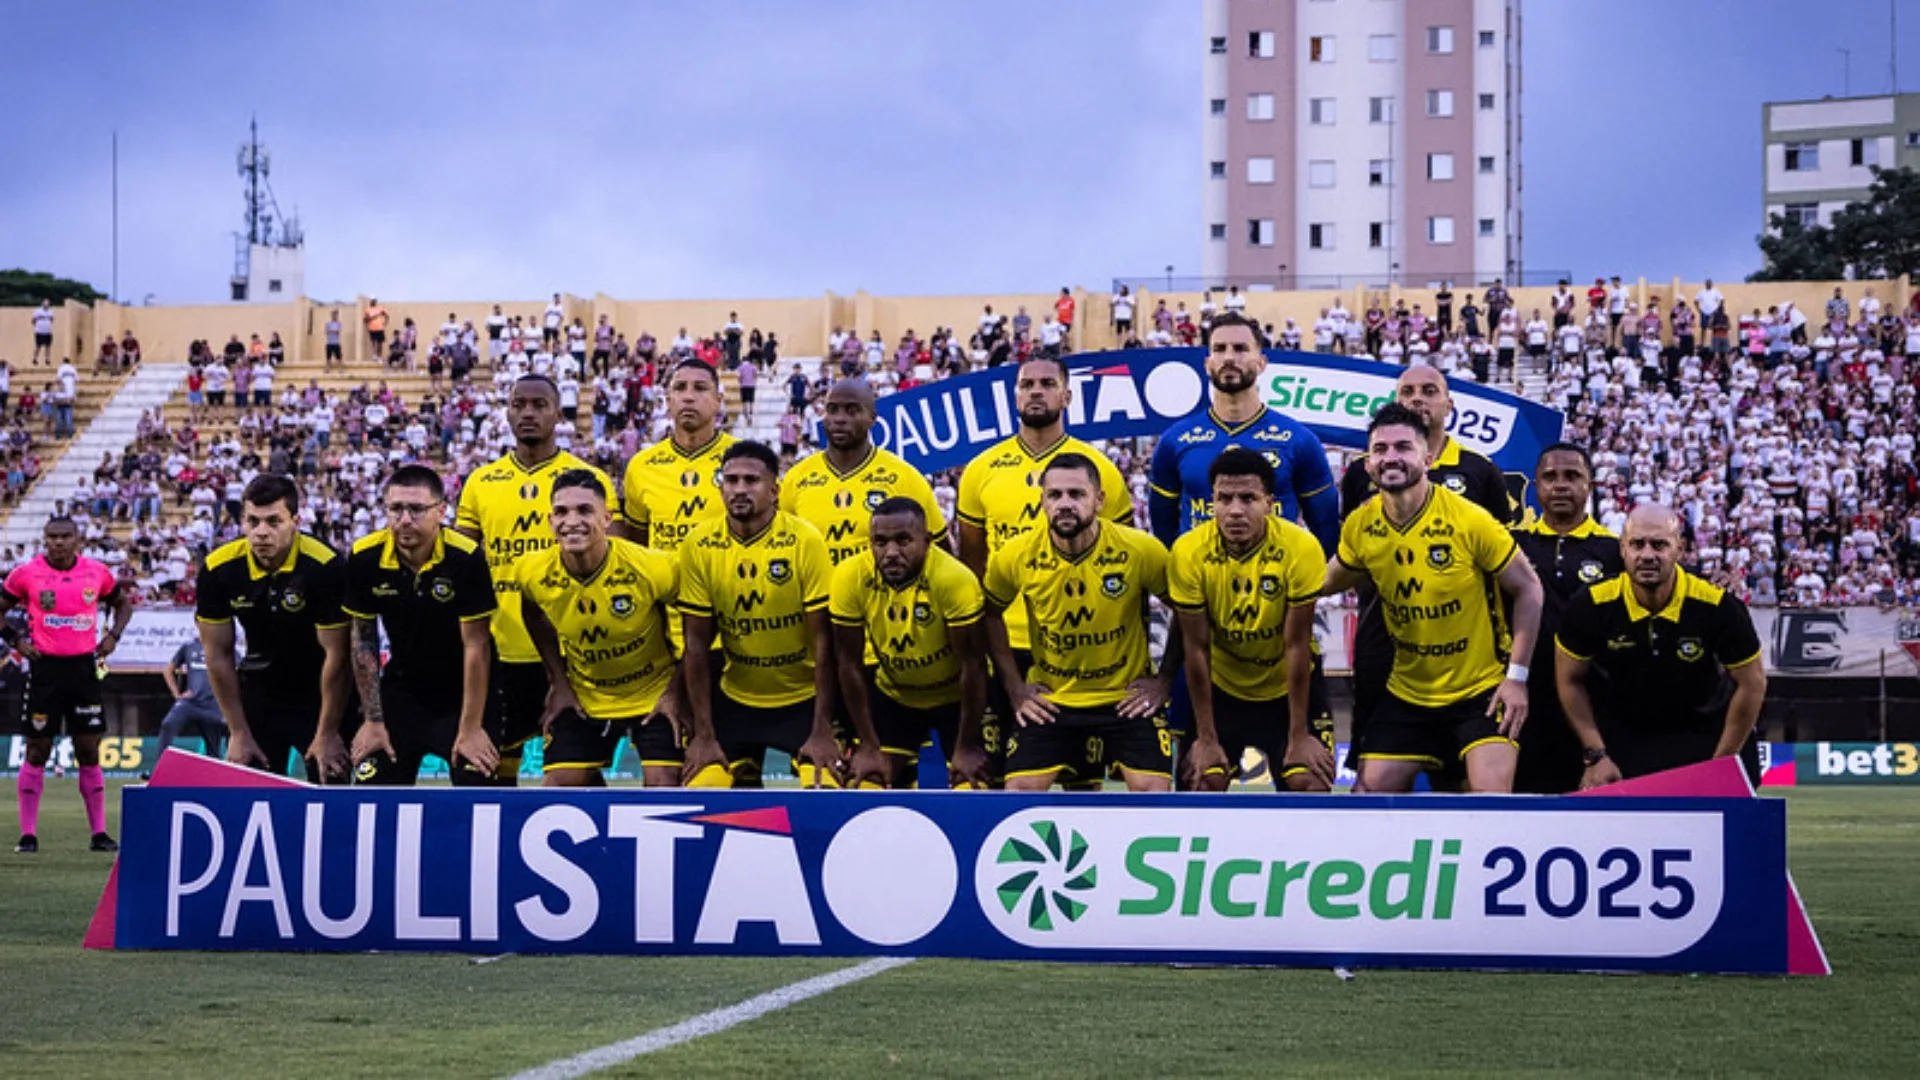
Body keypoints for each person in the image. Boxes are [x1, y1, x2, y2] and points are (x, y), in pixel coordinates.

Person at [1324, 404, 1543, 794]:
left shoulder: (1469, 519)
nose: (1391, 457)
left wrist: (1516, 679)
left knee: (1491, 799)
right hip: (1408, 693)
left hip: (1480, 691)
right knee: (1365, 798)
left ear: (1427, 458)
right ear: (1369, 463)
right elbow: (1325, 580)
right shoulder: (1361, 524)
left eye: (1403, 448)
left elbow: (1528, 588)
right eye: (1380, 450)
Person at [957, 354, 1133, 784]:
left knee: (1082, 784)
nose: (1036, 391)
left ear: (1067, 395)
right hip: (1008, 648)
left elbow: (1127, 569)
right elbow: (973, 569)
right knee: (994, 778)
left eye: (1047, 384)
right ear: (1015, 395)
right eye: (1027, 384)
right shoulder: (981, 470)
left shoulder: (1100, 469)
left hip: (1081, 649)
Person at [453, 376, 614, 784]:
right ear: (506, 412)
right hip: (499, 653)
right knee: (487, 776)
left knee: (573, 778)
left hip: (572, 653)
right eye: (519, 404)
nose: (528, 412)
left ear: (558, 414)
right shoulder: (481, 482)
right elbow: (462, 567)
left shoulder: (586, 481)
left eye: (539, 404)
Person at [983, 453, 1176, 791]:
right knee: (1017, 794)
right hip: (1053, 701)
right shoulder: (1015, 555)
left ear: (1099, 500)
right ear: (1042, 501)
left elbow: (1190, 611)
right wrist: (1015, 687)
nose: (1065, 504)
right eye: (1055, 495)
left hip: (1124, 698)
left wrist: (1164, 680)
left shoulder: (1141, 550)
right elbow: (989, 613)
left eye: (1077, 494)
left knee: (1152, 793)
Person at [678, 441, 862, 788]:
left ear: (775, 491)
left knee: (822, 790)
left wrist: (822, 728)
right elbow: (697, 643)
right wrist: (703, 733)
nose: (740, 489)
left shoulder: (804, 541)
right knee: (706, 790)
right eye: (731, 480)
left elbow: (825, 642)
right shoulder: (699, 544)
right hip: (736, 699)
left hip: (804, 702)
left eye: (752, 480)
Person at [1556, 504, 1767, 786]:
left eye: (1659, 545)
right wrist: (1596, 754)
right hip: (1627, 739)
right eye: (1637, 545)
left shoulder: (1717, 605)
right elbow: (1569, 680)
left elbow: (1752, 683)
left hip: (1706, 736)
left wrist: (1722, 763)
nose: (1647, 555)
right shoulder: (1591, 604)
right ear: (1622, 549)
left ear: (1679, 549)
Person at [1169, 449, 1333, 792]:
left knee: (1309, 783)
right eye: (1224, 499)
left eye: (1248, 498)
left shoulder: (1300, 548)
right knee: (1202, 782)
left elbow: (1297, 644)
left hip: (1286, 689)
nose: (1235, 510)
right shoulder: (1187, 552)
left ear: (1269, 503)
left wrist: (1299, 735)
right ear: (1211, 502)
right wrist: (1206, 737)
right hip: (1223, 688)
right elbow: (1196, 649)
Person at [518, 470, 683, 788]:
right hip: (585, 696)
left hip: (654, 694)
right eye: (561, 512)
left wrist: (676, 692)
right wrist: (559, 682)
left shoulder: (654, 566)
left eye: (584, 510)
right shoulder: (531, 570)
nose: (572, 521)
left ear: (607, 518)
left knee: (664, 785)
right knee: (558, 788)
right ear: (550, 520)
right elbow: (532, 613)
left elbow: (700, 622)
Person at [343, 465, 498, 787]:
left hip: (463, 695)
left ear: (441, 511)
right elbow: (363, 642)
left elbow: (476, 646)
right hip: (402, 691)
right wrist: (372, 720)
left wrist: (470, 728)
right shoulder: (364, 557)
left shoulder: (466, 557)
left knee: (478, 782)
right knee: (373, 783)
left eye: (416, 509)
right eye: (395, 509)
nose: (404, 520)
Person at [195, 475, 355, 783]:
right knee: (252, 798)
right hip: (259, 694)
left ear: (295, 521)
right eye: (252, 522)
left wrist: (328, 732)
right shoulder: (218, 569)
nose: (261, 533)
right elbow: (217, 654)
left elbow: (338, 656)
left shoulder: (325, 566)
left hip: (320, 697)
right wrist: (238, 731)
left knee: (330, 790)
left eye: (273, 522)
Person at [830, 497, 989, 788]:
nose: (891, 552)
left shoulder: (955, 579)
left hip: (957, 700)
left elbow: (974, 666)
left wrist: (965, 746)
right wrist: (867, 744)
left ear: (927, 541)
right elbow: (849, 663)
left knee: (973, 786)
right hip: (894, 695)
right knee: (865, 782)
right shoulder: (849, 576)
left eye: (903, 541)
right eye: (880, 542)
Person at [1, 518, 131, 853]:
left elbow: (123, 604)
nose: (58, 543)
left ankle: (99, 833)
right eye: (52, 537)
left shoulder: (97, 572)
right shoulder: (26, 573)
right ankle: (28, 835)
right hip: (45, 671)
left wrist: (113, 636)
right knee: (37, 750)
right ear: (44, 540)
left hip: (84, 670)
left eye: (65, 537)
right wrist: (16, 640)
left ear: (78, 539)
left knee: (89, 750)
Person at [1508, 444, 1624, 794]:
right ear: (1536, 485)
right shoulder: (1511, 546)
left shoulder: (1616, 551)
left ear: (1590, 486)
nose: (1560, 485)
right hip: (1525, 704)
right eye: (1550, 477)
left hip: (1594, 706)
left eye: (1572, 476)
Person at [780, 379, 947, 567]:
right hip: (817, 596)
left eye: (852, 410)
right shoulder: (796, 478)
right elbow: (782, 549)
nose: (839, 418)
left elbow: (940, 551)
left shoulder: (905, 476)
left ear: (872, 418)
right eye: (832, 410)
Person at [618, 359, 736, 556]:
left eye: (700, 388)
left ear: (718, 401)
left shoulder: (744, 459)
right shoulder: (641, 466)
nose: (688, 397)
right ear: (668, 401)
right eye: (680, 388)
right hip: (665, 585)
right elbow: (638, 541)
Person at [156, 637, 226, 762]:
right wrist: (177, 695)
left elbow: (237, 670)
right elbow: (168, 671)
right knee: (168, 724)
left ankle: (215, 777)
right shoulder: (189, 646)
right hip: (190, 703)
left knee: (214, 747)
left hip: (212, 704)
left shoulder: (222, 646)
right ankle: (159, 768)